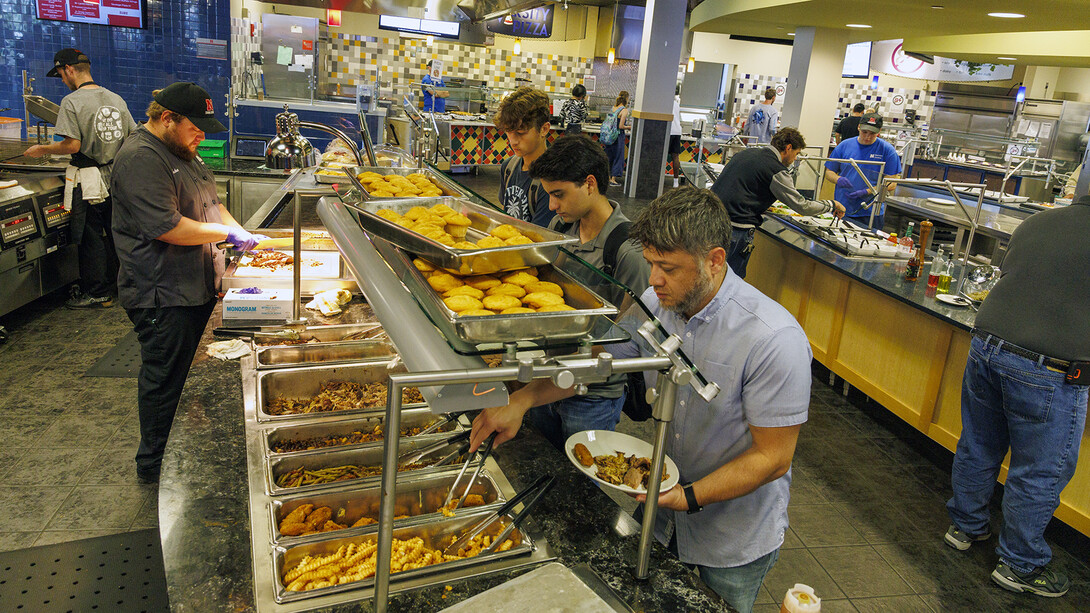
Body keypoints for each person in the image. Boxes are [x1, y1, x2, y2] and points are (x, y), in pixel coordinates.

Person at [470, 187, 812, 613]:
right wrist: (522, 400)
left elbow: (773, 458)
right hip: (660, 517)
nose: (652, 280)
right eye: (651, 264)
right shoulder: (658, 303)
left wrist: (687, 496)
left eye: (667, 268)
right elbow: (599, 363)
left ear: (715, 260)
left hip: (730, 539)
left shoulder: (773, 340)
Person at [111, 82, 266, 483]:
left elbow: (213, 205)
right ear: (167, 118)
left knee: (187, 380)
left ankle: (184, 455)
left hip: (194, 288)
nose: (202, 135)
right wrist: (225, 235)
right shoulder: (141, 158)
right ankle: (156, 465)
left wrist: (241, 232)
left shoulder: (185, 152)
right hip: (162, 293)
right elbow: (169, 227)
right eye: (195, 127)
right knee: (165, 378)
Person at [944, 193, 1090, 598]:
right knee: (1040, 470)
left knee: (979, 444)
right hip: (1049, 366)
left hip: (988, 345)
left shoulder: (1038, 222)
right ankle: (1020, 564)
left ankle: (965, 526)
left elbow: (1013, 273)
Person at [524, 135, 651, 447]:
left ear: (590, 184)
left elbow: (627, 339)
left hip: (592, 398)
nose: (552, 205)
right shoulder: (562, 227)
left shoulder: (628, 251)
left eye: (559, 194)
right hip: (548, 376)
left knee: (579, 489)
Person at [24, 48, 137, 309]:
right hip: (116, 178)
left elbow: (73, 146)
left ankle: (98, 292)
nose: (63, 80)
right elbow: (133, 136)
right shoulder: (115, 99)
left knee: (91, 236)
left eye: (61, 75)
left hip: (89, 180)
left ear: (69, 70)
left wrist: (42, 149)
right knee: (117, 233)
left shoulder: (72, 102)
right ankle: (129, 287)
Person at [711, 127, 845, 278]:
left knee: (711, 275)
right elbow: (802, 206)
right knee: (729, 280)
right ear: (788, 148)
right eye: (796, 153)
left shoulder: (746, 153)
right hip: (737, 230)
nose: (795, 159)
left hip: (713, 221)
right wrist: (832, 204)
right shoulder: (775, 169)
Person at [823, 112, 901, 228]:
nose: (867, 137)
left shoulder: (887, 151)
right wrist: (838, 179)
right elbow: (829, 172)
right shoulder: (844, 146)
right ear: (859, 127)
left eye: (872, 133)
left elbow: (892, 183)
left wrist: (868, 191)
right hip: (843, 208)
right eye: (864, 132)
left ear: (879, 132)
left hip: (871, 211)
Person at [494, 87, 555, 228]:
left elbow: (541, 238)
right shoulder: (508, 167)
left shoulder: (552, 179)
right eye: (509, 132)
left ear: (544, 129)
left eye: (521, 132)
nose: (513, 141)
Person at [603, 90, 631, 186]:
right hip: (618, 136)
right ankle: (613, 179)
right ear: (626, 99)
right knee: (618, 156)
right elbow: (621, 126)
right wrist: (629, 127)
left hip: (610, 135)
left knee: (609, 155)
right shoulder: (624, 110)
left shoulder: (614, 108)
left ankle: (606, 177)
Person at [669, 84, 685, 186]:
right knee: (675, 157)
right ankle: (675, 182)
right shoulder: (676, 103)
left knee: (661, 156)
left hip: (669, 131)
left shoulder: (666, 103)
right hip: (677, 131)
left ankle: (660, 178)